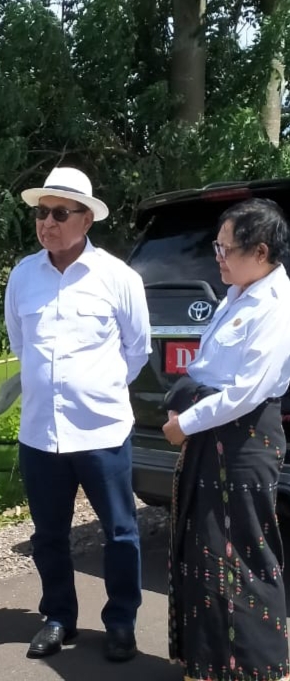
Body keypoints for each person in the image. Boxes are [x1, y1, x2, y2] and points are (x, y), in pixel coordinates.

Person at [4, 166, 151, 662]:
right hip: (40, 433)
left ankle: (122, 622)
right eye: (41, 212)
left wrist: (98, 388)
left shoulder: (118, 277)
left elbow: (137, 350)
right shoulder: (23, 276)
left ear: (86, 219)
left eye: (60, 213)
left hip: (102, 430)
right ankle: (58, 618)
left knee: (120, 532)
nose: (47, 222)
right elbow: (21, 345)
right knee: (48, 536)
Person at [162, 198, 290, 681]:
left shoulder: (276, 306)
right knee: (208, 552)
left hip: (244, 438)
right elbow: (206, 366)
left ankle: (263, 669)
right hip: (211, 431)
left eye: (225, 249)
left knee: (245, 555)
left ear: (260, 251)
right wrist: (182, 400)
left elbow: (247, 391)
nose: (217, 257)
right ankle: (213, 664)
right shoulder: (235, 294)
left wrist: (185, 423)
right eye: (216, 247)